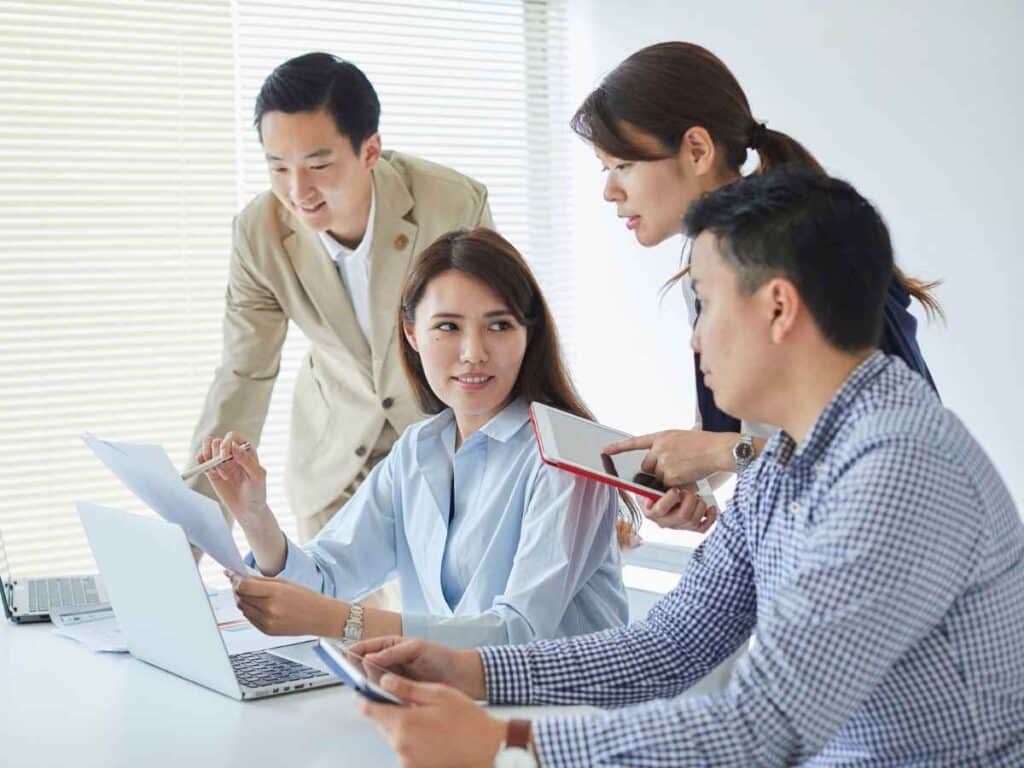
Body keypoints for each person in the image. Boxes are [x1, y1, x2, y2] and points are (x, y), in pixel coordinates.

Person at [351, 171, 1024, 766]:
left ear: (778, 308)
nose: (695, 336)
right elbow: (671, 644)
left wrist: (507, 747)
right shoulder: (785, 455)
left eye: (704, 301)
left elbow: (765, 728)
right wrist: (470, 670)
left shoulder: (895, 470)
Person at [197, 228, 631, 648]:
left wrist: (340, 621)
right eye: (448, 327)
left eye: (499, 326)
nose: (473, 353)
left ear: (528, 334)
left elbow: (516, 636)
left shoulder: (569, 458)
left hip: (566, 714)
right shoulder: (419, 450)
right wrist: (255, 515)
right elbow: (326, 580)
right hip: (452, 704)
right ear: (411, 334)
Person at [577, 42, 941, 532]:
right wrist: (693, 474)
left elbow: (887, 456)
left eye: (624, 166)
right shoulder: (705, 270)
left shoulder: (801, 253)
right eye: (606, 169)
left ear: (698, 151)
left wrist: (723, 452)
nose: (609, 191)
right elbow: (737, 438)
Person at [186, 52, 494, 551]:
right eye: (278, 167)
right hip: (334, 470)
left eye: (318, 165)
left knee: (423, 625)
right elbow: (244, 375)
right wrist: (194, 532)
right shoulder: (257, 233)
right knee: (340, 624)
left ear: (370, 150)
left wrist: (558, 477)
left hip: (445, 454)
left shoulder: (452, 205)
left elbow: (503, 343)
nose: (297, 190)